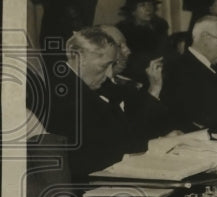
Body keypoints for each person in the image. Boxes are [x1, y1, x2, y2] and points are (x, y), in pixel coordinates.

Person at [27, 27, 148, 178]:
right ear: (80, 58)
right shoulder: (61, 96)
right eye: (104, 66)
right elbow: (81, 158)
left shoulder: (87, 86)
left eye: (112, 65)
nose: (109, 73)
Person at [98, 24, 173, 140]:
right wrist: (154, 89)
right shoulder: (94, 87)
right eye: (120, 46)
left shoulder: (129, 83)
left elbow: (150, 124)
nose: (128, 51)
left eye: (126, 44)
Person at [117, 0, 171, 83]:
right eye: (142, 5)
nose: (148, 9)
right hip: (137, 77)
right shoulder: (124, 31)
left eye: (150, 4)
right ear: (132, 11)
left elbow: (166, 52)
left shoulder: (160, 27)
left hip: (162, 73)